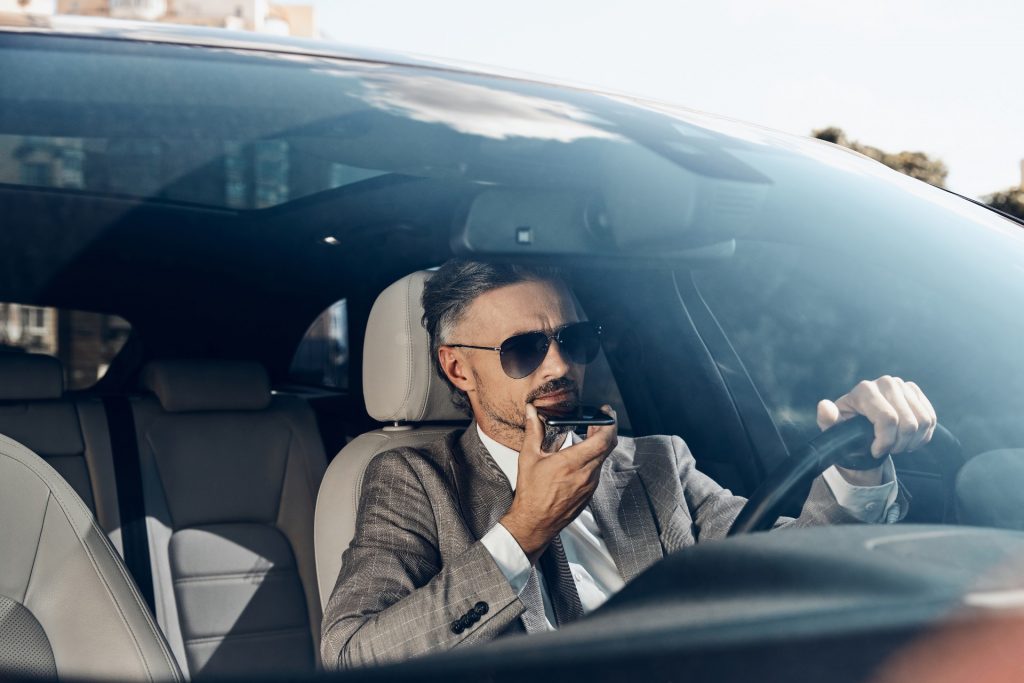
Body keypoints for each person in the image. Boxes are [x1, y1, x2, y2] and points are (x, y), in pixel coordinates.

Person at [320, 260, 936, 669]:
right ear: (458, 369)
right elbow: (351, 656)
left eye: (574, 340)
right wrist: (525, 529)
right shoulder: (415, 479)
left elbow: (786, 573)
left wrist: (857, 472)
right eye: (526, 349)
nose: (559, 366)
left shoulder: (656, 462)